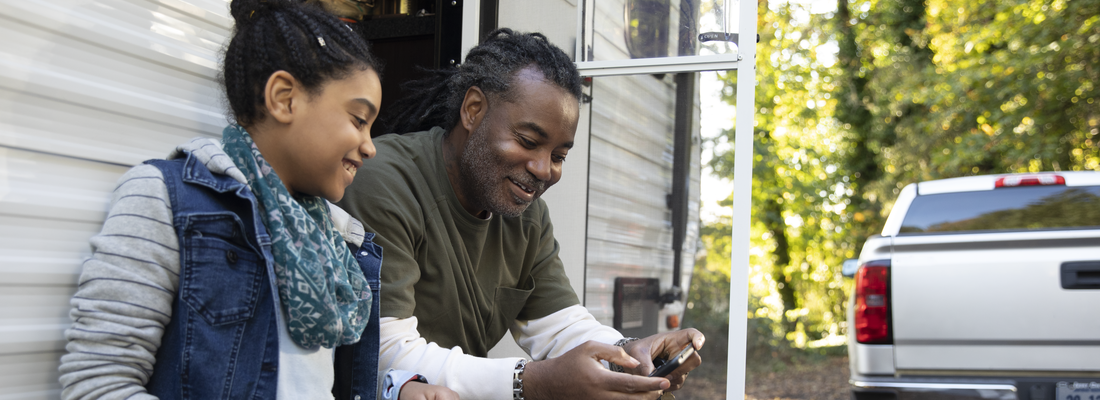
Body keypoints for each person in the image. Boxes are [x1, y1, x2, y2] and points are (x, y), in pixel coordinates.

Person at [57, 1, 456, 399]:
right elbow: (97, 383)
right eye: (358, 120)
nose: (370, 147)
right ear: (284, 99)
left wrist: (397, 390)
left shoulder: (339, 240)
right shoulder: (166, 199)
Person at [337, 28, 704, 399]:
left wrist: (630, 352)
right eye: (528, 142)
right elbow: (384, 355)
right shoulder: (384, 181)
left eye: (559, 156)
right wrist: (532, 382)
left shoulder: (527, 217)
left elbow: (560, 325)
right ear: (473, 110)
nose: (544, 170)